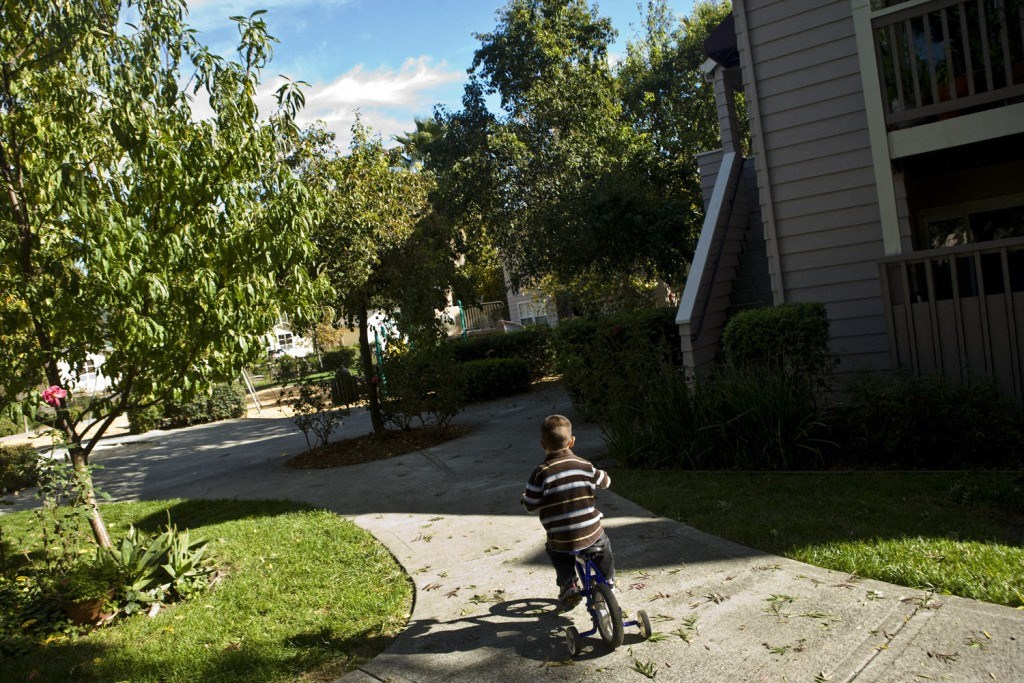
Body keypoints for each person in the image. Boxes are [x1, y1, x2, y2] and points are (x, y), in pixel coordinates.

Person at [521, 414, 615, 607]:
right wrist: (602, 477)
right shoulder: (584, 465)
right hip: (590, 533)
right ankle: (608, 580)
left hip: (561, 537)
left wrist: (524, 498)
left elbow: (530, 504)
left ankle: (569, 583)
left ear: (542, 444)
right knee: (603, 545)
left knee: (556, 552)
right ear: (572, 441)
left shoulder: (541, 472)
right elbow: (605, 481)